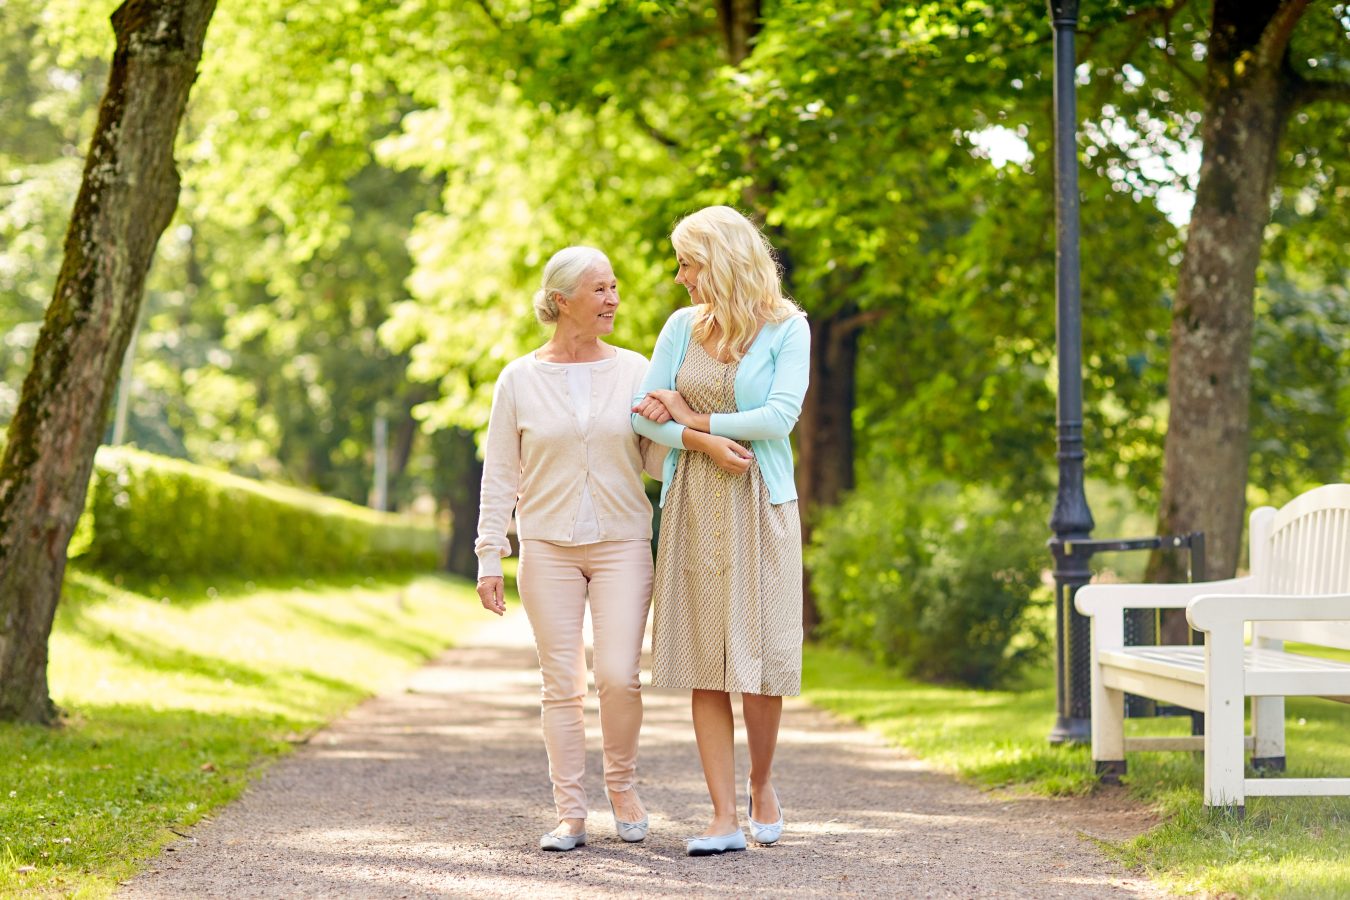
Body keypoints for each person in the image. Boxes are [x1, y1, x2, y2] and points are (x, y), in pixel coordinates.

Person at [632, 205, 810, 856]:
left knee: (759, 662)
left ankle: (762, 787)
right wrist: (695, 441)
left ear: (724, 261)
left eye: (688, 263)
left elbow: (778, 418)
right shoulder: (681, 327)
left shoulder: (789, 329)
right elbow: (644, 414)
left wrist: (692, 417)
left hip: (762, 503)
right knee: (708, 663)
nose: (679, 277)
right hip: (694, 502)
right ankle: (722, 816)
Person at [475, 246, 663, 852]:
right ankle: (570, 813)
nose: (614, 299)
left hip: (622, 540)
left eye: (614, 287)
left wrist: (675, 418)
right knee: (561, 684)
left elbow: (656, 463)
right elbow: (500, 474)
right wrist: (488, 554)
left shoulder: (636, 369)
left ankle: (623, 788)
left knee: (618, 676)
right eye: (601, 289)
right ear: (562, 302)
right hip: (547, 547)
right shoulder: (519, 378)